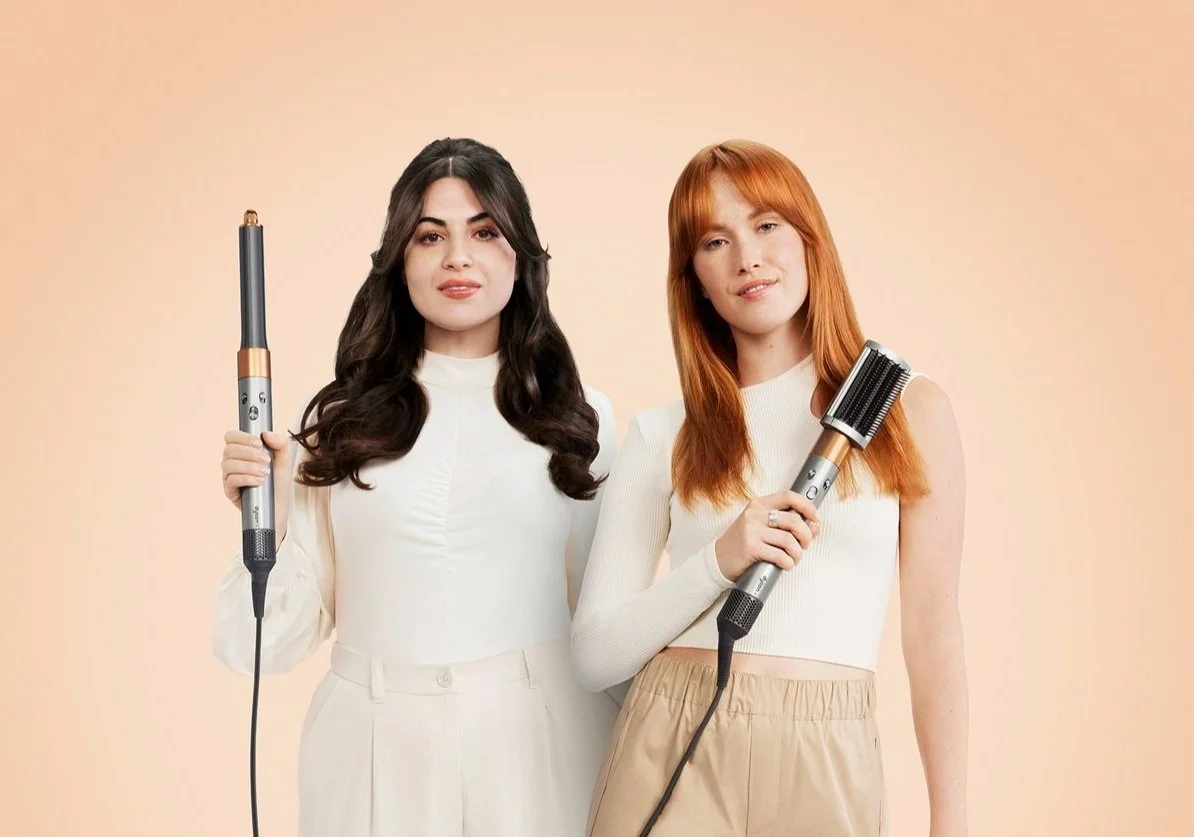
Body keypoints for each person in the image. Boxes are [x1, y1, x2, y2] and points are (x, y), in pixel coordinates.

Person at [212, 137, 622, 837]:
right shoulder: (341, 423)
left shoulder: (581, 419)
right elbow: (259, 646)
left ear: (519, 254)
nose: (457, 256)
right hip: (371, 752)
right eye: (430, 235)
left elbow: (604, 630)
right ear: (400, 259)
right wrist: (269, 524)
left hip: (540, 749)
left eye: (484, 231)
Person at [571, 139, 969, 837]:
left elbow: (932, 632)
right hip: (673, 735)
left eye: (766, 225)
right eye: (714, 241)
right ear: (692, 276)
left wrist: (952, 817)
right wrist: (718, 561)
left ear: (809, 237)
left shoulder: (907, 410)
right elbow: (594, 651)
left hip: (830, 745)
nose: (747, 258)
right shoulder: (662, 435)